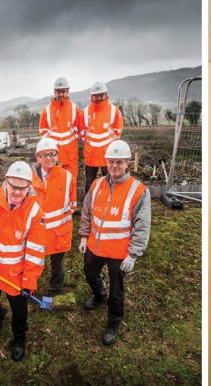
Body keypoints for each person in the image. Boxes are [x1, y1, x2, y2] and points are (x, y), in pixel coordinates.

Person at [78, 140, 150, 346]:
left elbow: (142, 225)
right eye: (111, 162)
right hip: (95, 246)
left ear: (127, 163)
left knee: (117, 290)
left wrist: (133, 254)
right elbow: (87, 212)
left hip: (119, 252)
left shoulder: (138, 190)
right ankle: (100, 294)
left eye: (119, 162)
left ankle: (114, 321)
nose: (114, 166)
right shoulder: (97, 185)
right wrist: (84, 236)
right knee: (89, 274)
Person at [0, 161, 46, 361]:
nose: (16, 192)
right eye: (13, 186)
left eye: (22, 188)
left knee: (20, 313)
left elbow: (35, 251)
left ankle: (19, 339)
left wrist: (29, 280)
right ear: (5, 182)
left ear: (29, 187)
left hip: (16, 275)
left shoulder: (35, 212)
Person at [30, 137, 77, 295]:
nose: (49, 158)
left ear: (57, 156)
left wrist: (60, 219)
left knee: (57, 263)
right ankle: (30, 287)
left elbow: (72, 202)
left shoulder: (67, 176)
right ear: (38, 157)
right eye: (45, 155)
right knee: (33, 261)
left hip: (58, 232)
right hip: (36, 232)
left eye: (52, 154)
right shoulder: (29, 178)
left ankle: (56, 288)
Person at [80, 81, 124, 195]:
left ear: (106, 95)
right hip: (91, 154)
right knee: (89, 183)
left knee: (110, 181)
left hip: (107, 154)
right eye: (96, 95)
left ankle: (109, 202)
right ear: (91, 96)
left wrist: (110, 148)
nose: (99, 98)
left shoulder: (114, 110)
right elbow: (82, 132)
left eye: (101, 95)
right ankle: (89, 203)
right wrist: (91, 145)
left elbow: (117, 132)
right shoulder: (85, 112)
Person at [39, 77, 81, 183]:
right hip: (53, 156)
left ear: (67, 92)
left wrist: (72, 143)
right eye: (58, 92)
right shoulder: (47, 110)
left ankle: (71, 196)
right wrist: (49, 147)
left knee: (71, 182)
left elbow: (79, 129)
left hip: (70, 156)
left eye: (63, 91)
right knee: (54, 183)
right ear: (54, 92)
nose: (61, 94)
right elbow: (42, 130)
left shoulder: (75, 109)